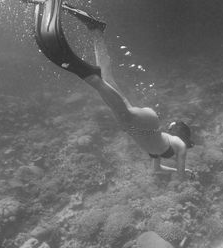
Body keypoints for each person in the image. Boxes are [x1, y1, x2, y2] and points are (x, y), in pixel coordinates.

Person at [25, 0, 194, 180]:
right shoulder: (179, 145)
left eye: (173, 126)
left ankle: (97, 32)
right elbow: (182, 175)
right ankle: (90, 76)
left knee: (108, 79)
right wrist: (185, 174)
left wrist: (177, 171)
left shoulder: (159, 150)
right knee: (110, 96)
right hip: (145, 125)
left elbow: (156, 170)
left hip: (139, 127)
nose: (172, 127)